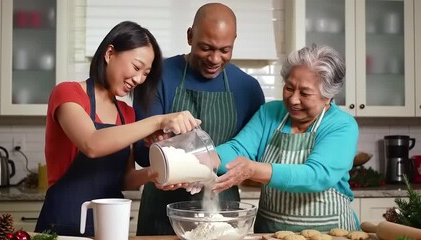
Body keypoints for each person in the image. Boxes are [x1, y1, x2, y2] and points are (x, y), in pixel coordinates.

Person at [35, 21, 201, 237]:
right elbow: (92, 143)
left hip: (108, 228)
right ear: (110, 53)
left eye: (146, 73)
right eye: (136, 67)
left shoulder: (126, 112)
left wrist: (156, 173)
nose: (139, 79)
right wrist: (158, 121)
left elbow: (124, 179)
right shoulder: (68, 93)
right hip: (62, 227)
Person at [133, 3, 265, 236]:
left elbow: (253, 152)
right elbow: (143, 156)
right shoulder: (158, 76)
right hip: (161, 210)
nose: (214, 58)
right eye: (206, 47)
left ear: (235, 41)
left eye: (225, 50)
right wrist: (158, 143)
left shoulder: (248, 88)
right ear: (190, 36)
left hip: (222, 213)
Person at [212, 44, 360, 232]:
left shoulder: (341, 125)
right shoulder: (270, 113)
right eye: (289, 88)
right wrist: (207, 160)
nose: (293, 99)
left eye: (305, 93)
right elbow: (237, 149)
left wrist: (253, 170)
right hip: (270, 234)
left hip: (330, 233)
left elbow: (316, 175)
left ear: (328, 96)